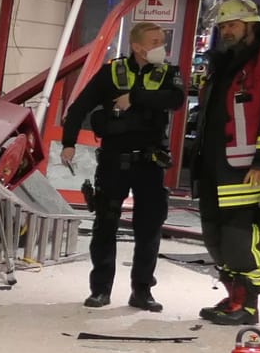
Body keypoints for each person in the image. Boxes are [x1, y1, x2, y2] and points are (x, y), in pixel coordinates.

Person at [192, 0, 260, 326]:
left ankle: (248, 304)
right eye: (223, 26)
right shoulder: (223, 64)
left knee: (239, 238)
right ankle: (233, 297)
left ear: (251, 26)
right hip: (214, 167)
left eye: (233, 25)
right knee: (214, 237)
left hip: (247, 170)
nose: (226, 31)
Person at [61, 21, 185, 312]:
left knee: (149, 227)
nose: (161, 46)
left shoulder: (168, 72)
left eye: (162, 40)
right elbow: (79, 107)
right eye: (155, 41)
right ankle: (100, 290)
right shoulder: (112, 72)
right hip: (114, 162)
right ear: (138, 46)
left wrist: (136, 97)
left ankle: (142, 291)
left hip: (150, 162)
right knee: (105, 225)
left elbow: (176, 99)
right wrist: (69, 143)